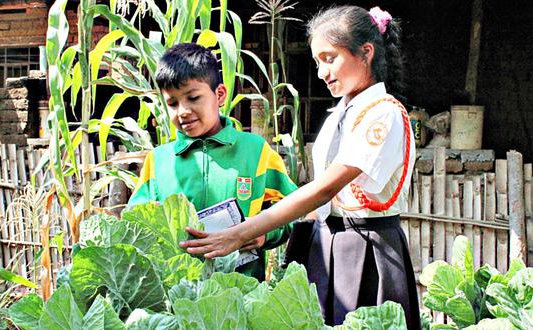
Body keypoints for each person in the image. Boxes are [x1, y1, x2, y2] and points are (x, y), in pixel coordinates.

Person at [180, 5, 421, 329]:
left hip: (366, 251)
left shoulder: (385, 114)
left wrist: (241, 233)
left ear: (366, 52)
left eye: (330, 58)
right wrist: (261, 235)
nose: (322, 73)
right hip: (324, 242)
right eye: (317, 62)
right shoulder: (340, 113)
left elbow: (324, 189)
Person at [127, 43, 297, 281]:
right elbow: (134, 222)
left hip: (242, 292)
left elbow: (292, 212)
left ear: (219, 95)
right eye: (172, 103)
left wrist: (264, 234)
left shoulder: (256, 151)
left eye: (193, 97)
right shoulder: (158, 161)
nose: (183, 111)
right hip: (177, 294)